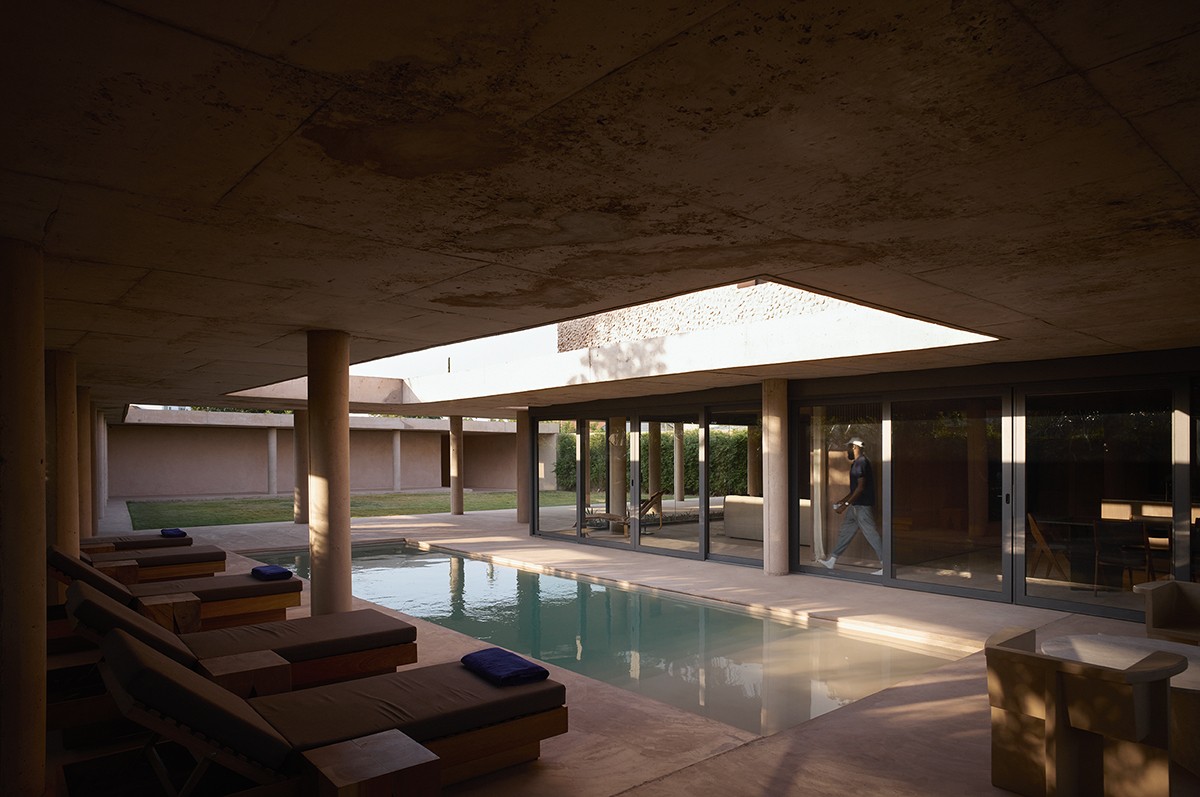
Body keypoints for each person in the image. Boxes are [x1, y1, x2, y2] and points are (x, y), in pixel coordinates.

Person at [818, 437, 883, 572]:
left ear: (855, 447)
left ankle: (885, 566)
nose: (846, 451)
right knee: (845, 533)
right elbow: (855, 490)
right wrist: (843, 501)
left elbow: (860, 488)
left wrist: (845, 504)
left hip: (862, 507)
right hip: (855, 506)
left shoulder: (861, 463)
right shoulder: (858, 463)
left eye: (848, 447)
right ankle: (832, 560)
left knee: (872, 535)